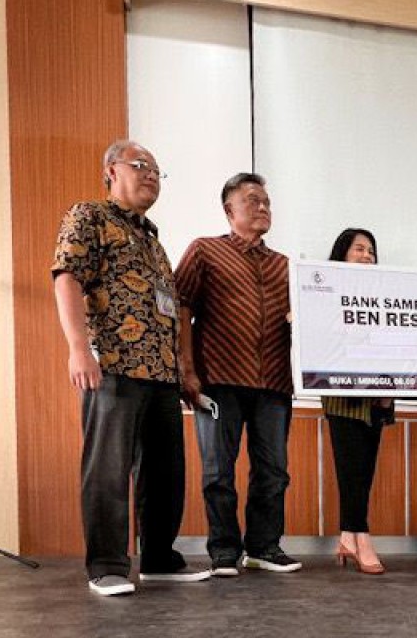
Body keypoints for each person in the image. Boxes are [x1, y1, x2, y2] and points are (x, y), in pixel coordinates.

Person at [52, 140, 210, 596]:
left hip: (160, 374)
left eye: (158, 171)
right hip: (113, 366)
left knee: (165, 474)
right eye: (140, 166)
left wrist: (181, 370)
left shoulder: (154, 240)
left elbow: (168, 311)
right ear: (110, 171)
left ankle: (159, 558)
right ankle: (106, 566)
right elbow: (66, 278)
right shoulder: (89, 217)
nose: (151, 176)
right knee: (108, 471)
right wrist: (78, 349)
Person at [175, 172, 301, 576]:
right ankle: (224, 551)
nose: (263, 206)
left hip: (274, 385)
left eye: (266, 201)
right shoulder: (204, 251)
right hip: (217, 381)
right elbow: (180, 307)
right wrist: (187, 370)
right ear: (229, 210)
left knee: (274, 472)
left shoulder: (286, 266)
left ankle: (264, 546)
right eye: (252, 200)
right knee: (217, 470)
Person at [323, 228, 393, 575]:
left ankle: (347, 538)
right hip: (343, 396)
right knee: (350, 470)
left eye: (371, 251)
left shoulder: (386, 295)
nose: (367, 256)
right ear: (342, 254)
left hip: (376, 397)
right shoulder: (325, 294)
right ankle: (362, 539)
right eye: (359, 249)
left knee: (363, 472)